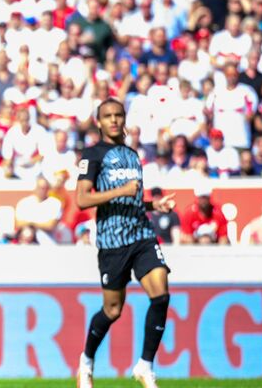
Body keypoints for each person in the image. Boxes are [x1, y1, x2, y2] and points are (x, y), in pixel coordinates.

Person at [75, 98, 176, 388]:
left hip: (142, 235)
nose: (114, 120)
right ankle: (86, 362)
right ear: (99, 121)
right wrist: (121, 189)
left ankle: (145, 365)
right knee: (113, 310)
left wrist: (154, 205)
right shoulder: (93, 154)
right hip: (112, 241)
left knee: (161, 293)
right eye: (108, 116)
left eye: (118, 115)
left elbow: (131, 199)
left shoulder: (132, 154)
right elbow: (82, 199)